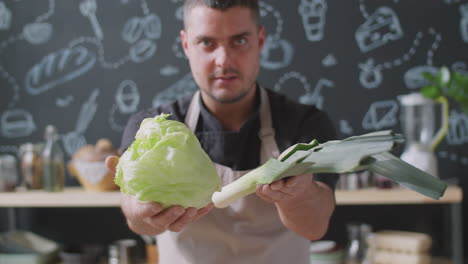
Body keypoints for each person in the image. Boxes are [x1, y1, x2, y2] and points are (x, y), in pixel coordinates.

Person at [106, 0, 338, 263]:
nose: (223, 60)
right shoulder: (150, 128)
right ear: (186, 45)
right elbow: (136, 217)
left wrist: (299, 196)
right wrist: (141, 212)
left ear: (260, 40)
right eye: (207, 43)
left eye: (239, 41)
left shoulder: (305, 124)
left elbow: (315, 226)